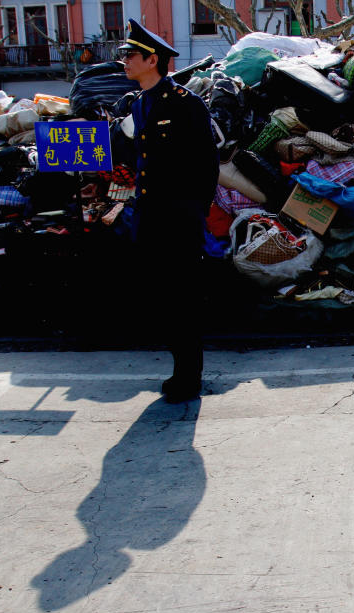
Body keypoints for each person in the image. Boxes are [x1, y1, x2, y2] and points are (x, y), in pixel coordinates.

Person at [118, 20, 219, 402]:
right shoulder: (139, 103)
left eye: (130, 55)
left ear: (152, 59)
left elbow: (207, 162)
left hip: (179, 217)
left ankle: (188, 377)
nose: (125, 61)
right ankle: (178, 368)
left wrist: (195, 211)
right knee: (161, 295)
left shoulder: (184, 102)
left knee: (182, 297)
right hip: (151, 216)